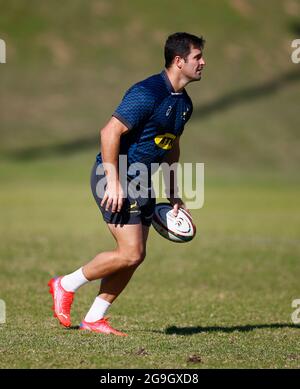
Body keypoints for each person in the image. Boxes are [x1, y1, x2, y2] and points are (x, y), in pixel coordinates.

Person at [48, 32, 206, 336]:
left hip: (143, 182)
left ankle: (94, 319)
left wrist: (173, 192)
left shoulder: (183, 103)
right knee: (130, 252)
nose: (203, 62)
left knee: (136, 256)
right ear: (179, 61)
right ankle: (64, 285)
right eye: (197, 57)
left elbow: (170, 147)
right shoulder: (147, 93)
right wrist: (114, 181)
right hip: (115, 177)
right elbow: (109, 132)